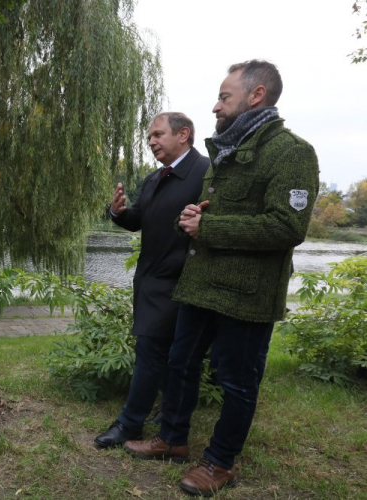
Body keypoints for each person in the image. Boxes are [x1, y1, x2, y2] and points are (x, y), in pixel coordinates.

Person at [123, 60, 319, 497]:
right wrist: (191, 218)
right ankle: (172, 440)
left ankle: (220, 461)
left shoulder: (292, 152)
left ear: (256, 96)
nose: (215, 106)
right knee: (180, 363)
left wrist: (208, 228)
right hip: (201, 285)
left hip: (247, 295)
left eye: (224, 97)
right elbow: (211, 215)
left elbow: (288, 227)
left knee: (237, 379)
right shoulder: (226, 152)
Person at [94, 113, 209, 449]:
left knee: (160, 356)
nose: (152, 142)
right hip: (152, 282)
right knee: (164, 356)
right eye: (149, 138)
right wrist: (119, 212)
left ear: (184, 134)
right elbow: (140, 220)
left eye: (158, 134)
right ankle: (166, 417)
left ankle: (130, 424)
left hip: (186, 284)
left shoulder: (206, 173)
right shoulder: (154, 178)